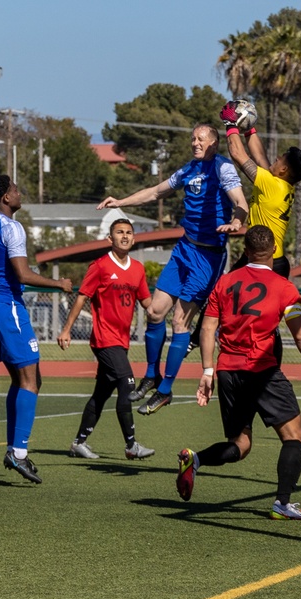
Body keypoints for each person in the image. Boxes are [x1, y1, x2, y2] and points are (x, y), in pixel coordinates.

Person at [176, 225, 301, 520]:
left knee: (241, 444)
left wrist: (208, 371)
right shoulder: (284, 288)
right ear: (274, 250)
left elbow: (208, 329)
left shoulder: (224, 283)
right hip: (261, 371)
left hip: (228, 372)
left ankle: (195, 460)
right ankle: (282, 503)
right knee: (294, 437)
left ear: (245, 252)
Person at [98, 124, 249, 415]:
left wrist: (237, 221)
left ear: (214, 144)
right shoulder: (188, 169)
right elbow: (155, 192)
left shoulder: (223, 168)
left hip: (208, 256)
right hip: (184, 249)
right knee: (155, 311)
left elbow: (241, 202)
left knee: (180, 322)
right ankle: (152, 374)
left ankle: (166, 389)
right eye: (192, 138)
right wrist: (120, 203)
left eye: (200, 139)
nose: (194, 143)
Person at [0, 175, 72, 484]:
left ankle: (14, 449)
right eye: (15, 189)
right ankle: (18, 453)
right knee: (31, 379)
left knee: (23, 378)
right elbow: (22, 273)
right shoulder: (12, 227)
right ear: (6, 198)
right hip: (7, 306)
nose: (19, 193)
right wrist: (58, 284)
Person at [57, 218, 155, 460]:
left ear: (134, 238)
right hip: (104, 339)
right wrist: (66, 329)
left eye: (129, 233)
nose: (125, 236)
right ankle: (131, 445)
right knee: (128, 384)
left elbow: (147, 304)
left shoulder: (138, 269)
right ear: (109, 239)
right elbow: (81, 298)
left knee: (101, 394)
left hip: (122, 341)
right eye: (119, 232)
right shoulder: (99, 266)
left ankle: (78, 443)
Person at [218, 102, 301, 278]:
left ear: (284, 170)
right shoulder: (280, 184)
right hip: (269, 258)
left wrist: (230, 124)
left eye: (281, 158)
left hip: (267, 261)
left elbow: (238, 154)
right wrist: (248, 127)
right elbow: (259, 156)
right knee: (226, 295)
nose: (276, 158)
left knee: (227, 297)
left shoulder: (272, 185)